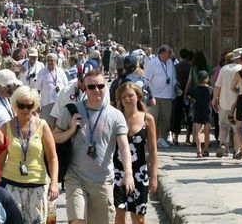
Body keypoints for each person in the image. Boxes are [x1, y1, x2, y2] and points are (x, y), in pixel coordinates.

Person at [53, 70, 135, 224]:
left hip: (103, 180)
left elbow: (124, 147)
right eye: (91, 87)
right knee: (77, 220)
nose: (96, 90)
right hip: (75, 177)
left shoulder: (116, 115)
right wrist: (70, 130)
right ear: (85, 87)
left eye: (100, 86)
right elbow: (54, 137)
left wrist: (128, 173)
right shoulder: (71, 110)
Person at [0, 86, 59, 223]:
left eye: (29, 105)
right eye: (21, 106)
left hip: (38, 185)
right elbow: (0, 159)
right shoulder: (6, 127)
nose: (25, 110)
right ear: (15, 105)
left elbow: (52, 157)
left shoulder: (42, 125)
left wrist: (54, 183)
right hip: (11, 185)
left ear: (34, 105)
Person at [113, 82, 158, 224]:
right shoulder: (116, 117)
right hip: (118, 171)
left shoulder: (147, 119)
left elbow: (153, 150)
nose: (127, 99)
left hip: (140, 172)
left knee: (139, 217)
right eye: (124, 96)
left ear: (138, 97)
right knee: (119, 213)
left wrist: (154, 176)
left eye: (131, 95)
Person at [212, 48, 242, 158]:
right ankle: (237, 151)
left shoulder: (223, 69)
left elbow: (217, 86)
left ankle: (223, 146)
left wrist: (214, 99)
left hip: (224, 102)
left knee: (223, 126)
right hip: (237, 104)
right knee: (237, 129)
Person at [144, 45, 177, 148]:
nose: (171, 55)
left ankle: (162, 138)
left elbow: (173, 77)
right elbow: (146, 80)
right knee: (153, 118)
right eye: (169, 53)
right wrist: (148, 94)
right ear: (162, 53)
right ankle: (151, 138)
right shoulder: (152, 63)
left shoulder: (170, 62)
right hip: (155, 95)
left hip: (167, 95)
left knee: (166, 119)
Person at [36, 53, 69, 124]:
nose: (50, 62)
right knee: (46, 124)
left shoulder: (61, 71)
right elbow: (37, 89)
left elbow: (66, 86)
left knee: (59, 124)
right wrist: (37, 104)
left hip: (60, 102)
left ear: (56, 61)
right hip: (47, 103)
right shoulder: (41, 72)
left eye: (52, 60)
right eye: (48, 61)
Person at [188, 71, 213, 157]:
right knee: (207, 132)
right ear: (207, 79)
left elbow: (188, 95)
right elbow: (213, 99)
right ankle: (206, 150)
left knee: (197, 132)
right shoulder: (210, 89)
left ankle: (199, 151)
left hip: (198, 110)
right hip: (207, 111)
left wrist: (194, 100)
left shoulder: (195, 88)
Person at [172, 49, 193, 146]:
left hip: (178, 93)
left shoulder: (175, 67)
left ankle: (175, 138)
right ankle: (188, 138)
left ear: (180, 56)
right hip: (189, 94)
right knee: (189, 116)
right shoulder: (191, 67)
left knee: (177, 115)